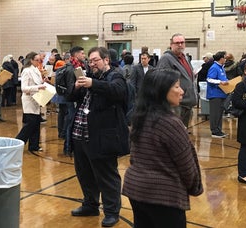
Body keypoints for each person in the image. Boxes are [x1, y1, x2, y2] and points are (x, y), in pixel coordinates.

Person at [123, 68, 203, 228]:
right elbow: (186, 165)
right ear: (161, 91)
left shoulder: (140, 116)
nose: (181, 91)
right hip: (162, 195)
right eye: (177, 86)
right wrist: (195, 187)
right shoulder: (170, 123)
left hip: (137, 189)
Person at [68, 47, 128, 227]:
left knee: (107, 176)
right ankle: (90, 204)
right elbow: (69, 96)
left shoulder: (115, 76)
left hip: (102, 138)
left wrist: (92, 84)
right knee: (84, 174)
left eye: (96, 60)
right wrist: (76, 86)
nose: (92, 64)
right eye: (90, 61)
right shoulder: (89, 77)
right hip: (80, 135)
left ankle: (111, 211)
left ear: (106, 60)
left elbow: (118, 91)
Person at [157, 33, 197, 128]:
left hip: (187, 104)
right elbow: (162, 81)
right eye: (177, 43)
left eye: (182, 42)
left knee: (183, 133)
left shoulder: (185, 57)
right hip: (176, 105)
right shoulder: (166, 59)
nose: (180, 45)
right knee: (174, 133)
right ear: (171, 45)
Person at [16, 52, 47, 152]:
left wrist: (43, 82)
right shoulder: (26, 71)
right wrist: (38, 87)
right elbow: (24, 88)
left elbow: (37, 83)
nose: (39, 62)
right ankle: (18, 142)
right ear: (31, 60)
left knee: (36, 124)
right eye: (37, 60)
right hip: (29, 100)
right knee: (30, 124)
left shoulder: (36, 70)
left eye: (40, 60)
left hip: (36, 99)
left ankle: (34, 145)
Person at [206, 51, 229, 138]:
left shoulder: (221, 67)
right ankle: (214, 131)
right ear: (221, 58)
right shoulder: (214, 67)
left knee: (219, 113)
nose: (226, 59)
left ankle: (218, 130)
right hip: (215, 94)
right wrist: (220, 82)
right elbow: (209, 79)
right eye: (225, 58)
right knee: (215, 113)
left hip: (221, 94)